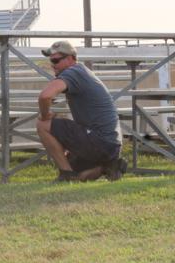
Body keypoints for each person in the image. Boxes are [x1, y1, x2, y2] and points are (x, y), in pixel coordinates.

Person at [36, 40, 127, 182]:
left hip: (99, 140)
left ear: (71, 58)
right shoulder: (82, 72)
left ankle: (66, 174)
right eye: (51, 61)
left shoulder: (73, 72)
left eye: (56, 60)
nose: (53, 65)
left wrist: (45, 115)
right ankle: (108, 166)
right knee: (77, 173)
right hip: (111, 145)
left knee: (43, 125)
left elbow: (45, 96)